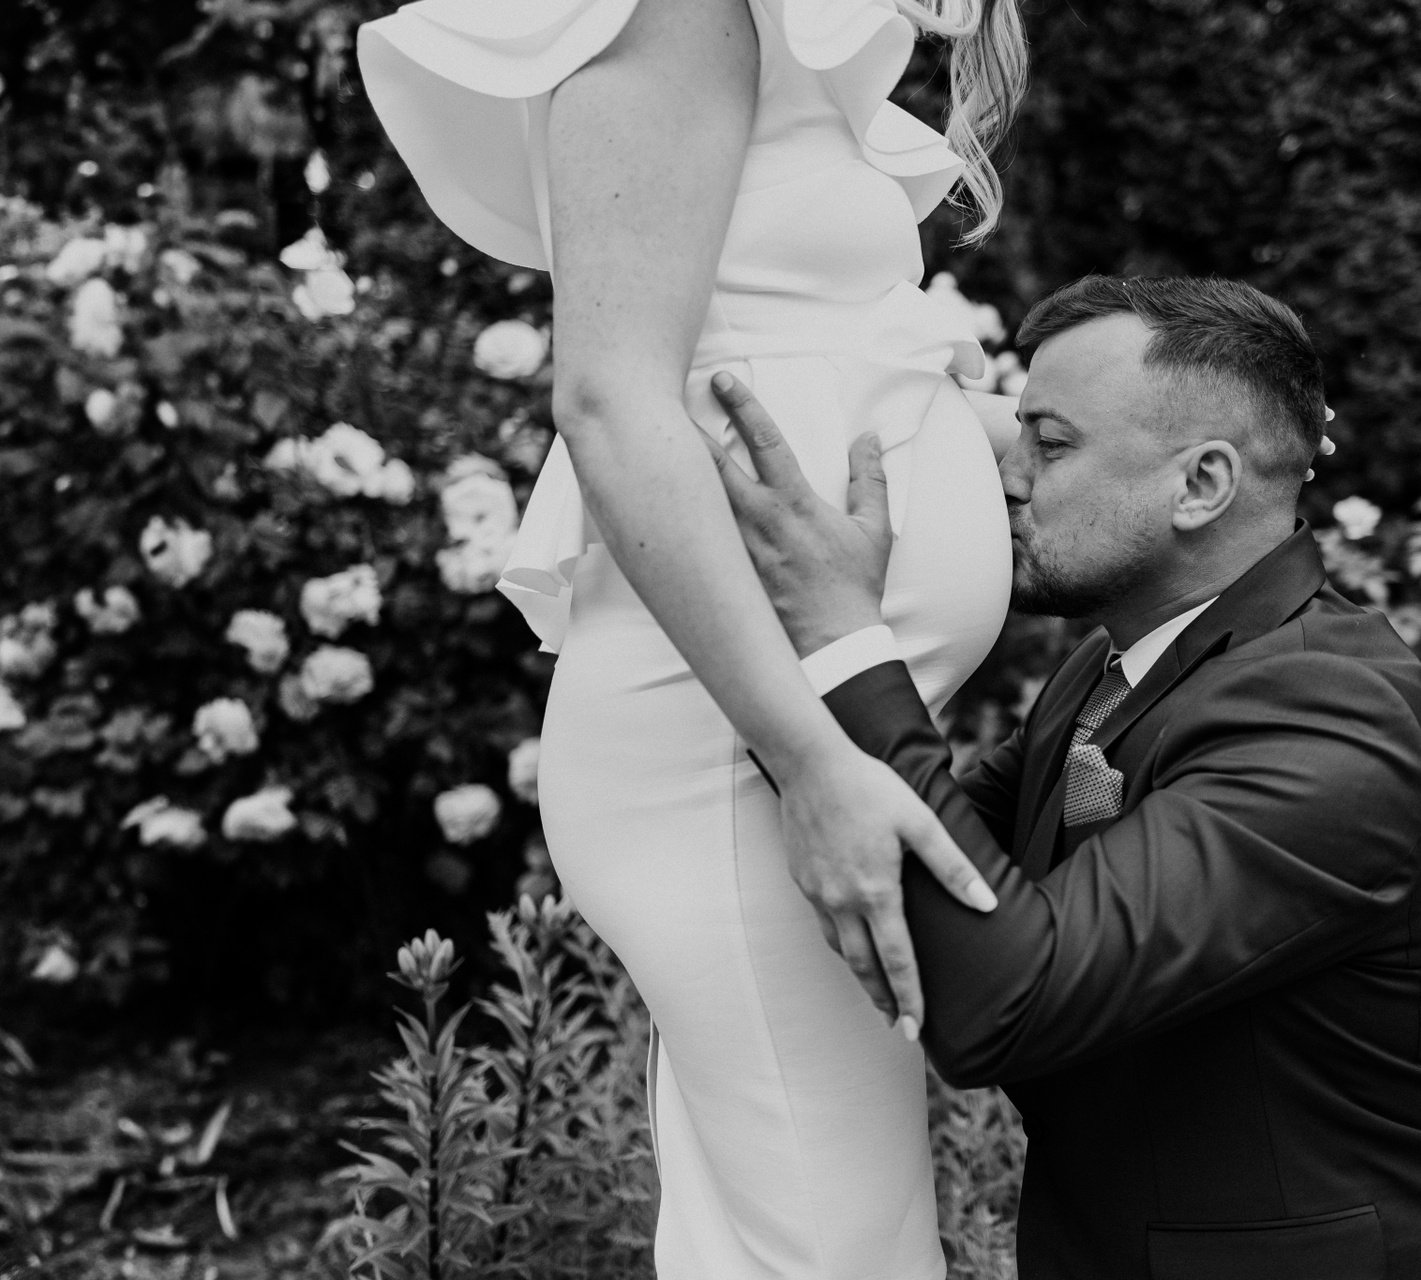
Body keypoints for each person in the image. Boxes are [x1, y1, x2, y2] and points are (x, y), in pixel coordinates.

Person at [357, 0, 1028, 1275]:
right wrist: (813, 763)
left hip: (770, 739)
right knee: (834, 1246)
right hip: (738, 749)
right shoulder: (683, 10)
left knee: (788, 1232)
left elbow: (802, 346)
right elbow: (612, 399)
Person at [709, 274, 1421, 1280]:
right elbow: (924, 858)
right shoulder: (1112, 670)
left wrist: (846, 639)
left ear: (1203, 484)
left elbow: (1003, 999)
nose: (1008, 477)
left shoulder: (1332, 717)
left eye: (1050, 445)